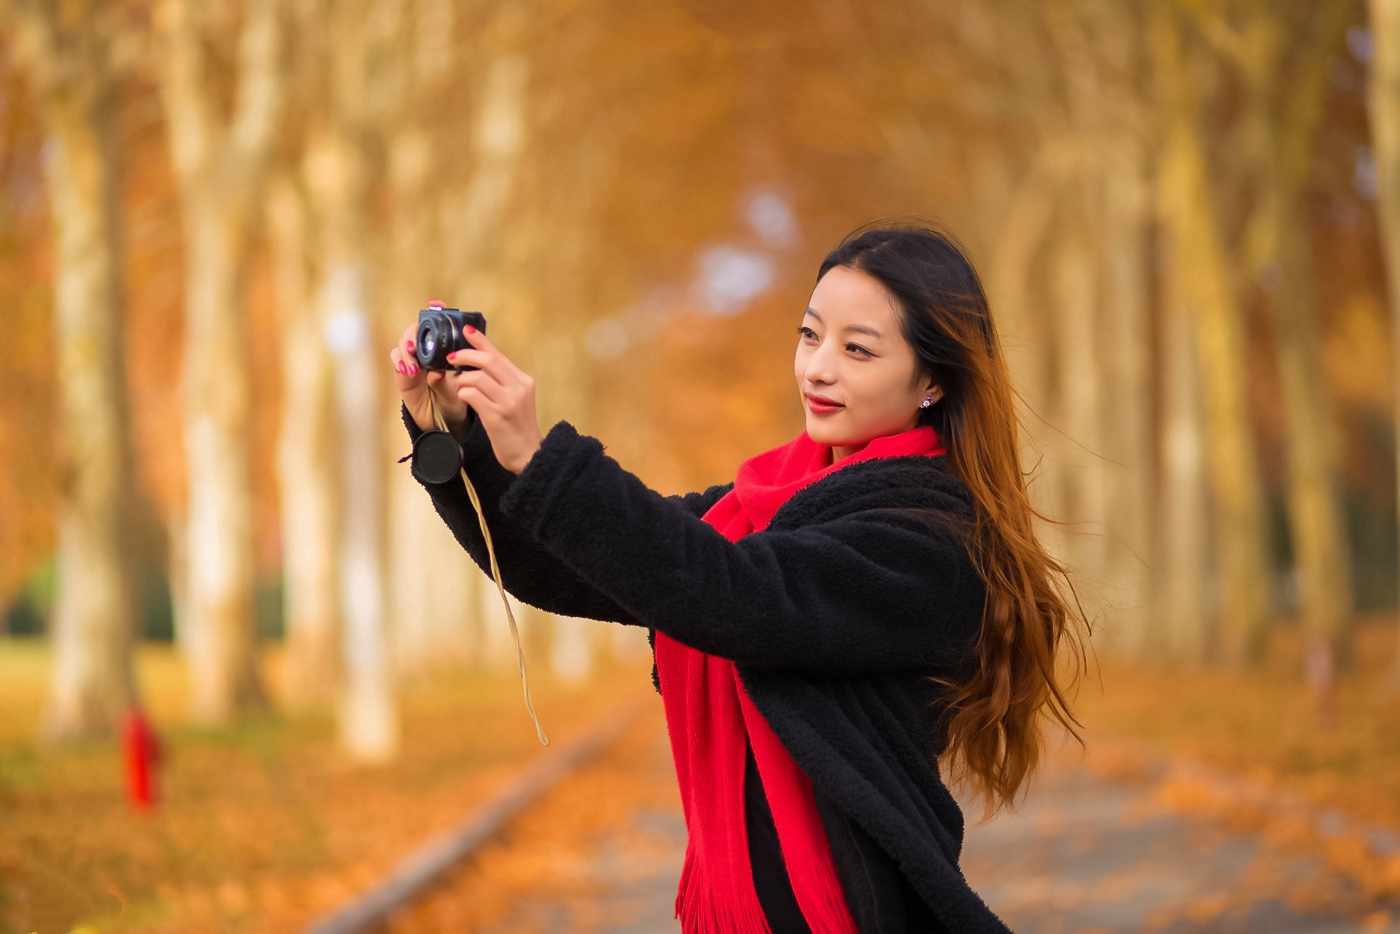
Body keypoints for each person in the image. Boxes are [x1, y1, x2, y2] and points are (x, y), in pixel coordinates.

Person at [390, 224, 1082, 933]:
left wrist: (543, 455)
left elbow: (735, 596)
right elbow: (568, 567)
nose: (817, 368)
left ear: (933, 380)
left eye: (857, 349)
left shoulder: (933, 540)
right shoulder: (757, 510)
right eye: (810, 335)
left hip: (843, 913)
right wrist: (452, 437)